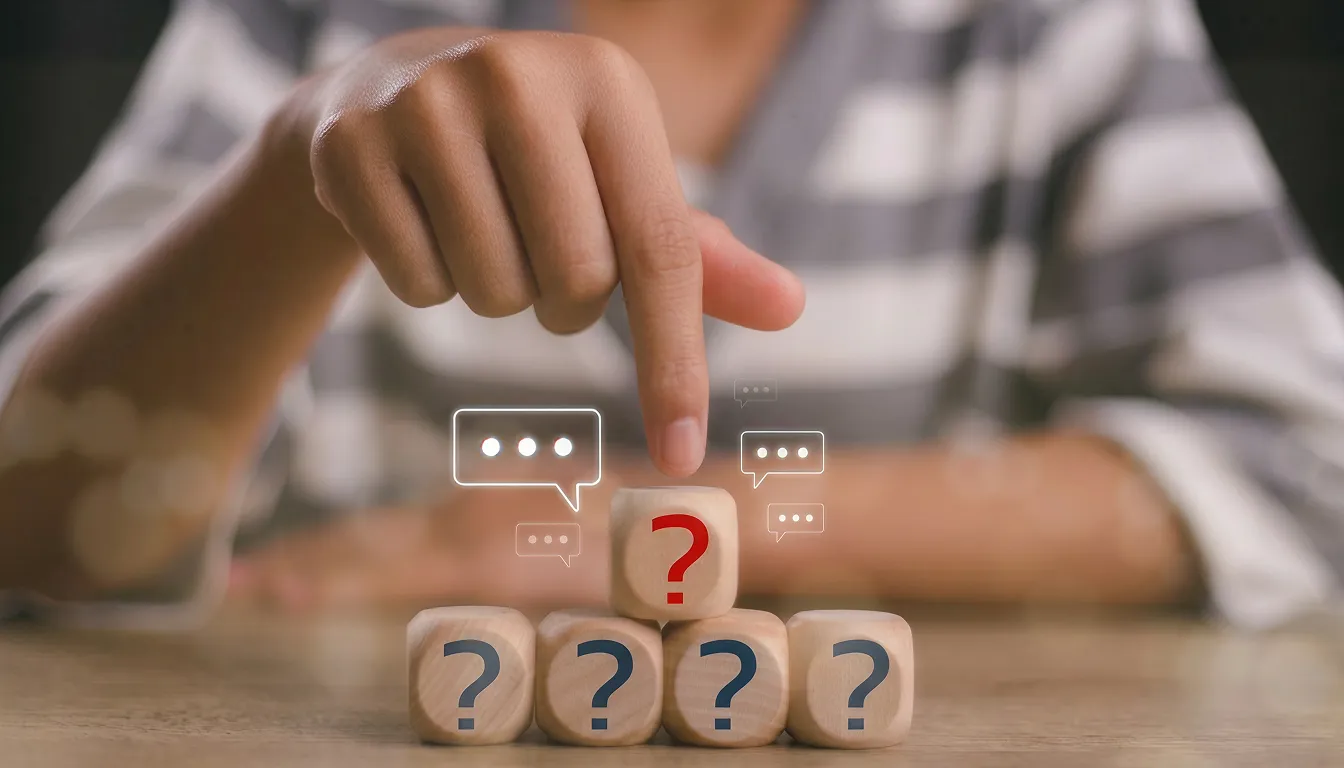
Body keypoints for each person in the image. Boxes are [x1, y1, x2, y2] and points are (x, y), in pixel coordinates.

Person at [0, 0, 1340, 630]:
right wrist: (295, 167)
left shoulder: (1055, 29)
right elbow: (31, 517)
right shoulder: (300, 19)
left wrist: (635, 526)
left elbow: (1308, 462)